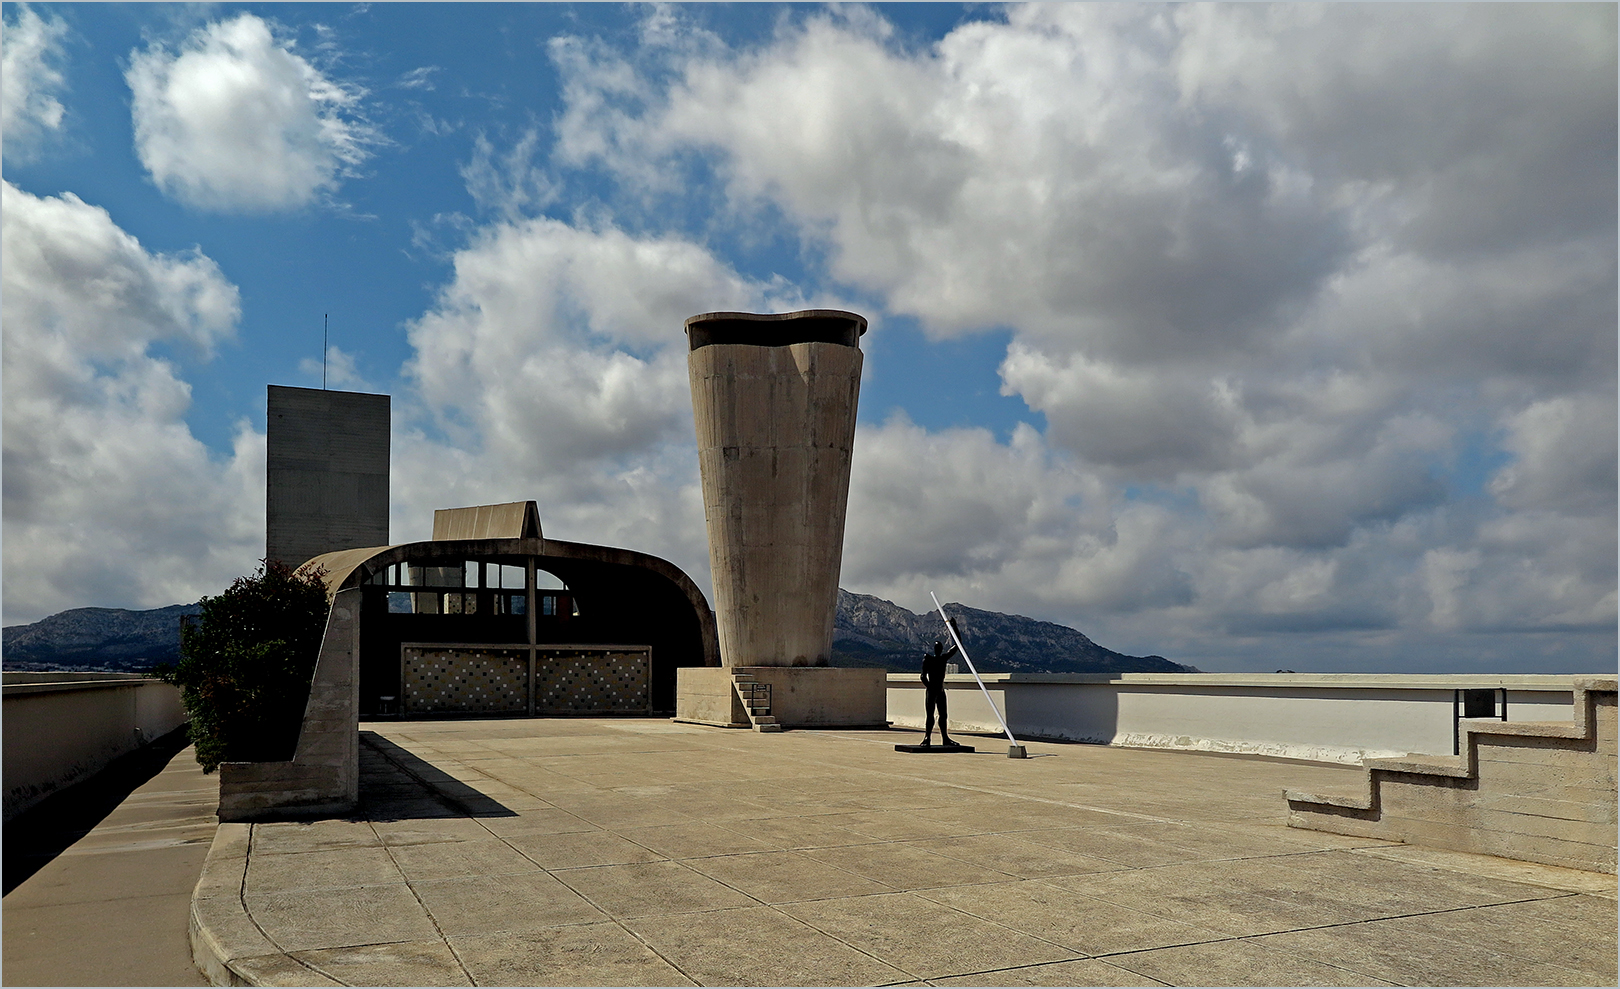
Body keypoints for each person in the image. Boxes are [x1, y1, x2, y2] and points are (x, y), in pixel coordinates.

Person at [920, 628, 959, 746]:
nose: (938, 650)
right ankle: (927, 738)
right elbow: (923, 676)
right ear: (935, 649)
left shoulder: (943, 659)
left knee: (943, 715)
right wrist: (930, 687)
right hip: (932, 691)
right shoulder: (928, 659)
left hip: (940, 691)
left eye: (940, 648)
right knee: (930, 715)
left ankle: (945, 738)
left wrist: (954, 628)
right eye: (937, 648)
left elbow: (957, 645)